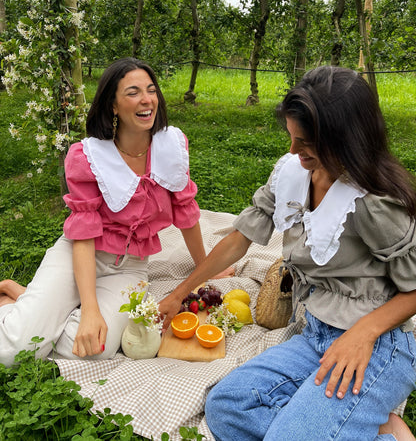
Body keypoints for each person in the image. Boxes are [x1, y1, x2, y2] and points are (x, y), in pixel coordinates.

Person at [158, 66, 416, 441]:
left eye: (306, 141)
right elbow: (240, 237)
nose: (294, 151)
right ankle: (376, 431)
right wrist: (179, 293)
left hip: (379, 343)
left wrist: (364, 333)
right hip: (316, 334)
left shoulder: (374, 203)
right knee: (227, 407)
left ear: (346, 138)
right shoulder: (294, 174)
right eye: (291, 136)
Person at [0, 57, 232, 367]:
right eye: (133, 92)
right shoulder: (89, 157)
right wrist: (91, 309)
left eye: (151, 90)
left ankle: (32, 302)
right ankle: (19, 304)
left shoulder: (171, 147)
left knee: (96, 347)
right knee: (14, 353)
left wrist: (206, 266)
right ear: (113, 105)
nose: (146, 99)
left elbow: (186, 214)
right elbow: (83, 235)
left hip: (129, 269)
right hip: (80, 257)